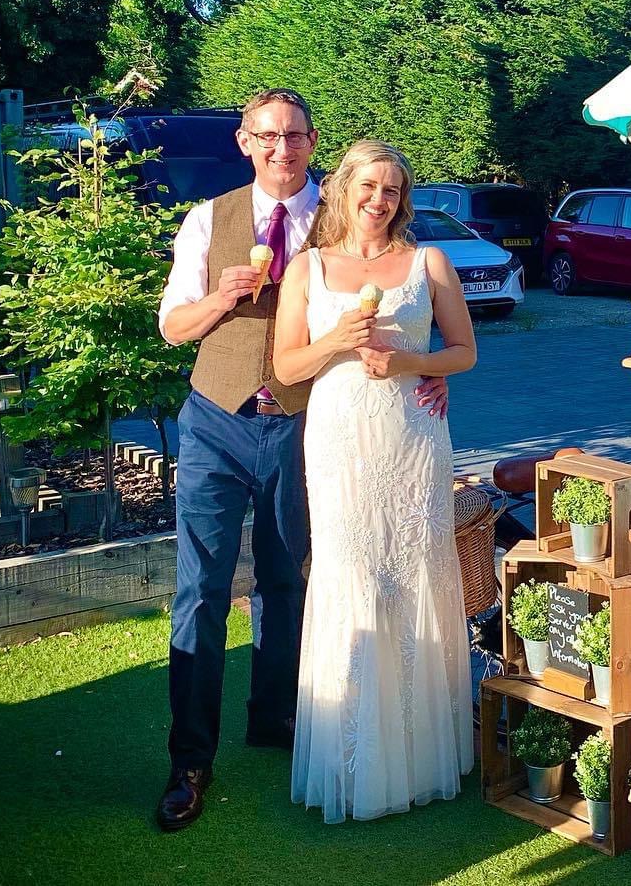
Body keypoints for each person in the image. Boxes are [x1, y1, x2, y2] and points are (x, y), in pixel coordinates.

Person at [155, 91, 446, 832]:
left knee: (288, 582)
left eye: (294, 136)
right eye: (267, 136)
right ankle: (190, 760)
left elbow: (406, 302)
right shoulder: (207, 220)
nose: (281, 148)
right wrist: (220, 299)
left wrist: (424, 366)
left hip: (306, 425)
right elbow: (172, 328)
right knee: (202, 590)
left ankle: (277, 717)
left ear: (313, 143)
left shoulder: (343, 217)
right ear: (244, 142)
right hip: (216, 420)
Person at [273, 140, 477, 823]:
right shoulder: (307, 268)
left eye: (391, 190)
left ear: (402, 200)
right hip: (339, 442)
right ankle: (352, 756)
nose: (379, 200)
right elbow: (287, 368)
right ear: (342, 189)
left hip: (413, 439)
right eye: (368, 186)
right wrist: (337, 340)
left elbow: (464, 351)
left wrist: (414, 363)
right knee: (352, 572)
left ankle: (419, 753)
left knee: (415, 570)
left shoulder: (428, 263)